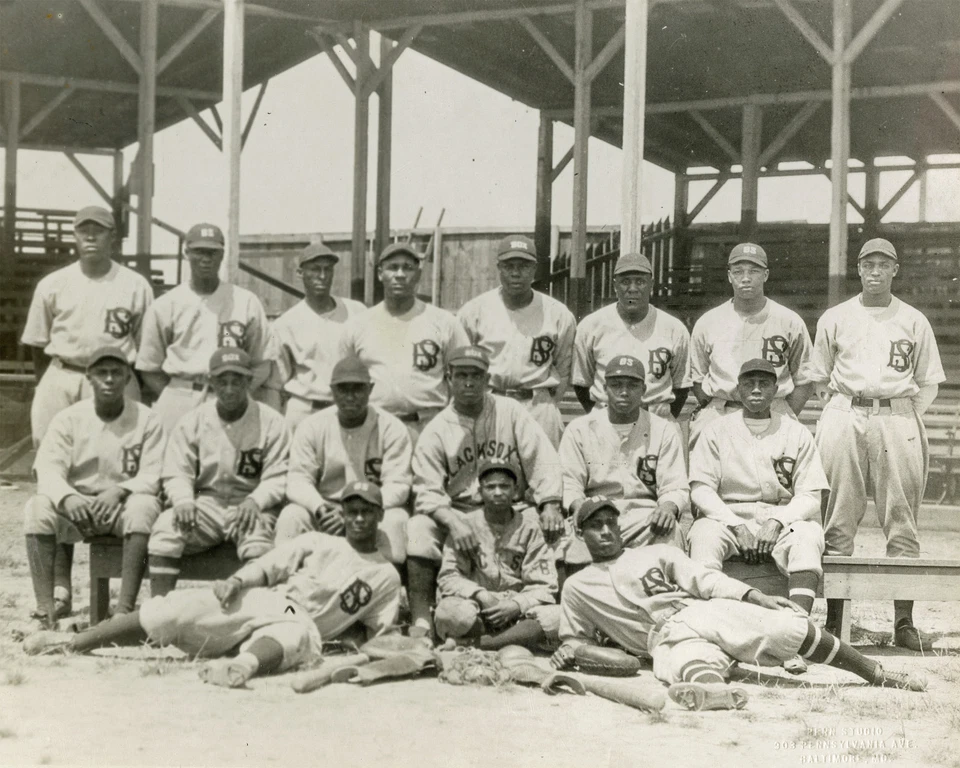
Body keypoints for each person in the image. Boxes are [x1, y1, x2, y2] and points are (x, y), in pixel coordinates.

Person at [550, 497, 925, 711]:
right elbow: (574, 638)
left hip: (699, 610)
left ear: (619, 526)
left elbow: (707, 580)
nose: (604, 531)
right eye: (594, 525)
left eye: (609, 523)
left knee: (788, 625)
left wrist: (755, 596)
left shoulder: (655, 552)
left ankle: (875, 673)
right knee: (681, 664)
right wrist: (570, 652)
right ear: (580, 533)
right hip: (659, 638)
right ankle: (717, 695)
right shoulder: (577, 587)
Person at [24, 481, 402, 691]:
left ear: (380, 516)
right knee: (176, 608)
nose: (357, 519)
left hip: (301, 621)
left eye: (366, 511)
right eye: (351, 511)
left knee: (293, 632)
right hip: (273, 599)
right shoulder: (321, 541)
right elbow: (270, 565)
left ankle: (239, 669)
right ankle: (71, 643)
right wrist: (236, 581)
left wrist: (349, 642)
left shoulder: (386, 575)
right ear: (343, 513)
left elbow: (378, 632)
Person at [808, 237, 945, 651]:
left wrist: (898, 410)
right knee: (837, 516)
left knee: (902, 518)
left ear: (895, 269)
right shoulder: (836, 316)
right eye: (868, 264)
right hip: (846, 412)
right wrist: (846, 408)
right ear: (859, 268)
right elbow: (818, 379)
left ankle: (904, 620)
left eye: (883, 264)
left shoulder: (913, 318)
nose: (874, 271)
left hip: (896, 414)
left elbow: (929, 383)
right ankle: (836, 617)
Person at [407, 346, 563, 639]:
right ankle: (421, 620)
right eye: (461, 375)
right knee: (418, 528)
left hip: (512, 506)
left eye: (476, 375)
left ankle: (555, 614)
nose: (468, 382)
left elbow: (542, 458)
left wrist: (551, 503)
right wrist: (452, 521)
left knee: (557, 528)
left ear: (487, 378)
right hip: (460, 510)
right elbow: (426, 489)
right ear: (448, 378)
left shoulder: (510, 411)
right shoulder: (438, 429)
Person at [688, 358, 829, 673]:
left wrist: (778, 522)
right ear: (737, 389)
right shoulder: (716, 430)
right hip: (729, 512)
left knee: (807, 536)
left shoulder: (795, 432)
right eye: (748, 383)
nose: (755, 389)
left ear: (775, 389)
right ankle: (712, 635)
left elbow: (811, 494)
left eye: (763, 383)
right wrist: (735, 525)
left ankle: (795, 637)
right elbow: (701, 490)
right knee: (703, 536)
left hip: (779, 515)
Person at [24, 346, 164, 626]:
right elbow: (48, 468)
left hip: (120, 506)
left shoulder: (147, 418)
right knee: (37, 507)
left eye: (116, 373)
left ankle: (123, 612)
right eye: (102, 373)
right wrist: (66, 498)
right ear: (89, 378)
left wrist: (121, 490)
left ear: (127, 379)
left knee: (145, 506)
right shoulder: (69, 418)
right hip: (78, 506)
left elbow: (154, 472)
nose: (109, 379)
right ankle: (45, 609)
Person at [147, 348, 290, 595]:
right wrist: (182, 500)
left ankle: (253, 611)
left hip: (250, 505)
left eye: (237, 381)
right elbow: (176, 471)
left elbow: (278, 476)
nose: (230, 389)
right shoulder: (193, 420)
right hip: (206, 504)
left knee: (258, 544)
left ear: (249, 381)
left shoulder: (272, 422)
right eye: (222, 382)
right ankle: (159, 609)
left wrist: (256, 500)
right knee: (167, 526)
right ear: (211, 382)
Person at [21, 205, 153, 445]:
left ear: (113, 237)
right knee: (50, 447)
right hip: (64, 372)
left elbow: (145, 348)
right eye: (84, 230)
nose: (90, 236)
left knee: (117, 448)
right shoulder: (53, 283)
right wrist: (49, 382)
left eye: (99, 230)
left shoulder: (136, 284)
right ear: (75, 236)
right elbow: (37, 343)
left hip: (114, 376)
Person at [135, 223, 275, 435]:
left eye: (213, 252)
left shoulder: (245, 301)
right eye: (199, 251)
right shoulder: (166, 304)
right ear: (187, 253)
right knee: (175, 464)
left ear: (222, 255)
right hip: (182, 393)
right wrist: (175, 394)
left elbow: (261, 362)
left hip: (230, 396)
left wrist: (237, 393)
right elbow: (149, 367)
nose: (206, 259)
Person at [275, 357, 412, 566]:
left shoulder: (391, 428)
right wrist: (320, 508)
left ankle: (388, 585)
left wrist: (357, 510)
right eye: (342, 389)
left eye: (357, 388)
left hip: (370, 509)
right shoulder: (312, 425)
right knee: (291, 516)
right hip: (326, 509)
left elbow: (399, 485)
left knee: (396, 519)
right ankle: (287, 585)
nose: (350, 396)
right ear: (332, 391)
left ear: (370, 389)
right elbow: (297, 480)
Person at [558, 355, 687, 568]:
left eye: (632, 385)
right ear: (604, 388)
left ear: (644, 390)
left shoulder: (663, 429)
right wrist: (580, 509)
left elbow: (675, 484)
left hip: (644, 517)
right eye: (616, 385)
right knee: (569, 539)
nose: (624, 392)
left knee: (671, 531)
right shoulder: (580, 429)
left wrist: (668, 507)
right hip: (596, 513)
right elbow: (569, 482)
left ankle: (667, 597)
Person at [338, 242, 469, 438]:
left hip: (428, 426)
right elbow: (343, 380)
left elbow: (465, 375)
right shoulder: (358, 325)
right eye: (392, 267)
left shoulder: (443, 322)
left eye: (407, 268)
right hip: (375, 427)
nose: (400, 274)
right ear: (380, 274)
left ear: (418, 275)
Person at [689, 243, 814, 445]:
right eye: (738, 272)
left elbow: (805, 380)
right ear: (729, 276)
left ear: (766, 275)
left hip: (773, 411)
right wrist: (719, 405)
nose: (746, 278)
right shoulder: (708, 322)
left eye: (754, 271)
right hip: (723, 409)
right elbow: (697, 378)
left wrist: (782, 410)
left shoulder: (789, 321)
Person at [457, 235, 576, 447]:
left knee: (544, 476)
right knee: (486, 474)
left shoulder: (557, 314)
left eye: (523, 266)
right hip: (490, 401)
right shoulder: (474, 311)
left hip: (538, 405)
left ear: (534, 269)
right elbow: (460, 365)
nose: (515, 273)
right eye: (509, 266)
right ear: (498, 268)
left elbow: (564, 369)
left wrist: (545, 402)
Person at [434, 459, 559, 651]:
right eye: (490, 487)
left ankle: (473, 643)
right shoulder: (464, 526)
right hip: (476, 607)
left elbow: (545, 585)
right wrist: (480, 595)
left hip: (515, 609)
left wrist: (516, 605)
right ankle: (511, 640)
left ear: (516, 491)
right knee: (449, 613)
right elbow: (449, 577)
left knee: (555, 616)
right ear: (480, 491)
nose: (498, 492)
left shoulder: (530, 528)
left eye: (504, 486)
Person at [572, 252, 691, 420]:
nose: (633, 289)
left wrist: (661, 419)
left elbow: (681, 386)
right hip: (606, 418)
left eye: (640, 281)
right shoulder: (591, 326)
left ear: (651, 284)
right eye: (625, 282)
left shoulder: (674, 328)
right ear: (615, 285)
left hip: (657, 418)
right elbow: (582, 384)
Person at [266, 242, 365, 428]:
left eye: (328, 270)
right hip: (305, 409)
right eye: (314, 269)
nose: (322, 276)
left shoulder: (356, 312)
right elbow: (276, 382)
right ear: (300, 273)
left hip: (348, 409)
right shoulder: (286, 323)